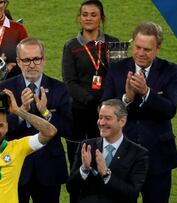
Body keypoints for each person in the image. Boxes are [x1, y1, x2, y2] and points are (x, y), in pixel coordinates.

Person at [102, 21, 177, 203]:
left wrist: (146, 93)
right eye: (137, 47)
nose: (141, 53)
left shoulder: (171, 70)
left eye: (147, 49)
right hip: (122, 155)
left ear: (158, 49)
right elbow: (104, 108)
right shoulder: (117, 69)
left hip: (158, 156)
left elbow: (170, 109)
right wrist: (126, 99)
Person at [0, 37, 72, 203]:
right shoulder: (5, 89)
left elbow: (69, 129)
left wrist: (46, 113)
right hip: (15, 167)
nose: (32, 65)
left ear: (44, 60)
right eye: (26, 60)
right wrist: (21, 110)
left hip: (49, 167)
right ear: (18, 61)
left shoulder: (59, 88)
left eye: (36, 59)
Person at [61, 0, 119, 168]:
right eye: (84, 15)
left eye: (93, 15)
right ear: (79, 18)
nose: (88, 18)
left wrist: (104, 105)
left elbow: (117, 78)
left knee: (105, 158)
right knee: (77, 160)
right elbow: (69, 82)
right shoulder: (70, 46)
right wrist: (93, 103)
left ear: (101, 19)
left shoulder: (114, 44)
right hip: (78, 112)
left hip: (107, 112)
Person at [66, 99, 149, 203]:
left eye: (107, 118)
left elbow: (132, 194)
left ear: (122, 121)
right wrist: (84, 169)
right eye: (100, 117)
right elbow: (70, 188)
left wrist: (106, 174)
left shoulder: (138, 153)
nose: (102, 122)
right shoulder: (86, 146)